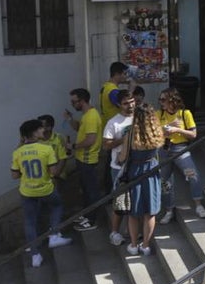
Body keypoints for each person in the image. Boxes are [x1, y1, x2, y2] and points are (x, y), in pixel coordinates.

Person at [12, 119, 73, 267]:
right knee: (57, 206)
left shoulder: (18, 152)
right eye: (40, 129)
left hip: (27, 190)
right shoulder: (46, 149)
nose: (43, 131)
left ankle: (35, 254)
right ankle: (54, 234)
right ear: (34, 132)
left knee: (30, 221)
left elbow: (14, 175)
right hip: (45, 188)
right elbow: (53, 171)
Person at [157, 87, 205, 221]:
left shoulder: (185, 114)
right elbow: (154, 134)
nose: (161, 102)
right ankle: (168, 209)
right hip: (164, 148)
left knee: (192, 174)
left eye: (163, 99)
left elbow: (193, 134)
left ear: (172, 100)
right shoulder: (159, 114)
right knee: (164, 181)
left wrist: (177, 129)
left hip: (180, 148)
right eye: (160, 99)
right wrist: (166, 129)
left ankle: (198, 204)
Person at [120, 104, 165, 257]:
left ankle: (133, 245)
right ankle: (145, 246)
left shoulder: (130, 134)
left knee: (133, 213)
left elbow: (123, 157)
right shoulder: (157, 133)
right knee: (150, 212)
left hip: (134, 173)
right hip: (151, 172)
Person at [65, 88, 103, 232]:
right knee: (86, 190)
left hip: (88, 159)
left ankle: (91, 220)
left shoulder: (92, 116)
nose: (72, 104)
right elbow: (80, 128)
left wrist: (73, 146)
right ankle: (87, 215)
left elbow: (90, 140)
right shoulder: (86, 115)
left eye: (74, 102)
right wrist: (70, 119)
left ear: (82, 101)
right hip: (82, 159)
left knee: (90, 191)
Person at [102, 89, 136, 243]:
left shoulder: (139, 118)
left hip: (137, 165)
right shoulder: (113, 122)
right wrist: (123, 139)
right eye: (125, 103)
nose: (130, 105)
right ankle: (114, 232)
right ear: (119, 105)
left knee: (135, 200)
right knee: (120, 201)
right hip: (119, 168)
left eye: (132, 101)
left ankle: (132, 231)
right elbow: (106, 145)